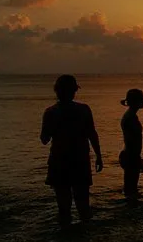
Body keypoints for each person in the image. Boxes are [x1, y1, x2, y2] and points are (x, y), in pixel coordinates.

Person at [40, 75, 103, 228]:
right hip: (80, 160)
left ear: (57, 91)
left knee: (63, 206)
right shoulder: (84, 110)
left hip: (59, 161)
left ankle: (65, 240)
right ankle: (85, 239)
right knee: (83, 205)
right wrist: (99, 156)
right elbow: (92, 134)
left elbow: (44, 139)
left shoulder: (50, 112)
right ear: (74, 91)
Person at [119, 89, 143, 200]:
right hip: (130, 156)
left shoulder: (130, 116)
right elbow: (131, 141)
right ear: (136, 101)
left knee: (131, 188)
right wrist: (138, 159)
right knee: (131, 189)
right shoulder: (130, 117)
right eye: (142, 99)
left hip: (130, 155)